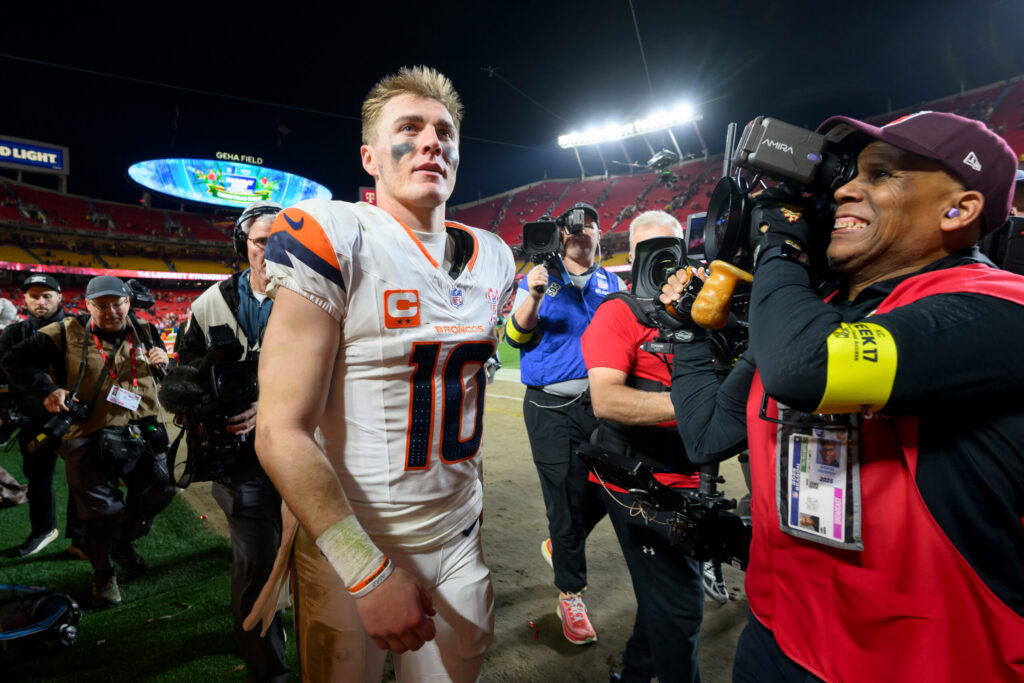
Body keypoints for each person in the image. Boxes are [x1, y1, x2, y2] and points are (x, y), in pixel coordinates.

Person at [663, 111, 1024, 681]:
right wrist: (686, 335)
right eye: (848, 175)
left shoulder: (1002, 309)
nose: (845, 190)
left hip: (923, 664)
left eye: (881, 175)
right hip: (778, 638)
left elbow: (807, 369)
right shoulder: (816, 319)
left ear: (958, 210)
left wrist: (780, 244)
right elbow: (707, 435)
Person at [252, 66, 515, 681]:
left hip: (457, 534)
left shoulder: (496, 258)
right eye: (410, 128)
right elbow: (279, 432)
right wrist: (365, 570)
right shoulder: (336, 234)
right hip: (354, 543)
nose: (431, 142)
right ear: (369, 157)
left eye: (444, 132)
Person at [2, 275, 178, 607]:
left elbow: (157, 373)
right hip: (89, 435)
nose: (111, 311)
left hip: (141, 430)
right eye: (102, 305)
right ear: (88, 305)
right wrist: (49, 390)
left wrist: (163, 363)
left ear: (128, 302)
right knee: (101, 513)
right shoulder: (63, 331)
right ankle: (104, 574)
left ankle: (121, 543)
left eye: (117, 303)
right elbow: (13, 361)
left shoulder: (146, 330)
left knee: (163, 489)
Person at [581, 211, 704, 682]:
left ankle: (634, 676)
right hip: (638, 480)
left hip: (689, 473)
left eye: (671, 248)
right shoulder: (619, 311)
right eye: (650, 250)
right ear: (631, 258)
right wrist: (697, 406)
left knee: (663, 597)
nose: (663, 260)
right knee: (681, 606)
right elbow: (607, 400)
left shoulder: (703, 312)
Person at [174, 200, 288, 682]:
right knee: (256, 564)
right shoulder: (209, 303)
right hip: (240, 460)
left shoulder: (318, 295)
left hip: (311, 450)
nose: (274, 249)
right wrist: (210, 393)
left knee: (319, 561)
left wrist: (270, 405)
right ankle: (268, 671)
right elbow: (183, 371)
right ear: (244, 244)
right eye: (263, 241)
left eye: (284, 240)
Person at [504, 201, 624, 645]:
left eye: (588, 224)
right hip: (550, 408)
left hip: (601, 405)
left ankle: (561, 542)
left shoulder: (613, 283)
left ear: (600, 234)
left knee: (613, 488)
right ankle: (570, 594)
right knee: (564, 500)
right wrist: (534, 295)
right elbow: (514, 337)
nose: (579, 230)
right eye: (571, 225)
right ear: (559, 234)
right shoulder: (538, 278)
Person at [0, 273, 83, 557]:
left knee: (81, 480)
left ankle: (80, 539)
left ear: (60, 297)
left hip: (74, 419)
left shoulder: (79, 328)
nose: (40, 301)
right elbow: (6, 373)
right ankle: (42, 531)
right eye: (34, 296)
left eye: (47, 295)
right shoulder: (14, 333)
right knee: (37, 480)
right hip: (32, 419)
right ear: (24, 299)